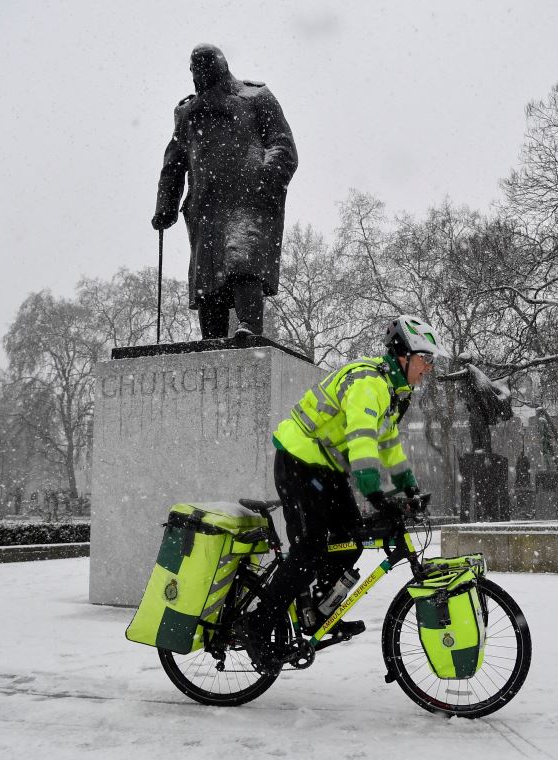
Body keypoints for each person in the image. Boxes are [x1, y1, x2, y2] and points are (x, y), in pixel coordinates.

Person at [233, 316, 448, 672]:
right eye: (425, 358)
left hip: (325, 468)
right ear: (403, 356)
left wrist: (407, 487)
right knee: (311, 548)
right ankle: (256, 626)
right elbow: (362, 439)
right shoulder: (370, 384)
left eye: (430, 361)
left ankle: (318, 610)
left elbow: (388, 444)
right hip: (299, 460)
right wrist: (374, 492)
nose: (429, 367)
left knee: (353, 538)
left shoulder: (394, 393)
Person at [150, 44, 298, 339]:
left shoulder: (256, 96)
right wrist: (166, 205)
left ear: (221, 66)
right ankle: (213, 341)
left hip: (248, 199)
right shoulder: (187, 112)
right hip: (206, 205)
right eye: (196, 71)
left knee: (243, 261)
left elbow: (282, 144)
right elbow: (174, 162)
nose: (200, 77)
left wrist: (265, 178)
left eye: (206, 70)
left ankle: (249, 329)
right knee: (208, 280)